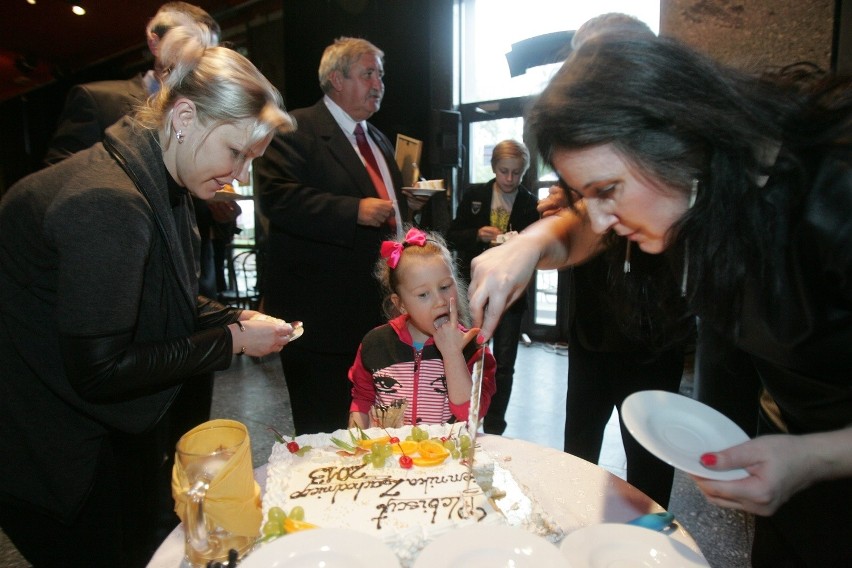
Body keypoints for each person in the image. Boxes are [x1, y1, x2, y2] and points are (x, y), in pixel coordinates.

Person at [467, 33, 852, 566]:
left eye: (606, 192)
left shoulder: (835, 194)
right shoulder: (697, 179)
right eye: (584, 196)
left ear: (673, 135)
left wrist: (816, 457)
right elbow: (585, 226)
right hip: (794, 467)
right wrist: (530, 244)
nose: (600, 220)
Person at [0, 28, 297, 567]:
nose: (240, 175)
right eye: (236, 151)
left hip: (86, 433)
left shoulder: (161, 177)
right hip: (43, 445)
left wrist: (234, 315)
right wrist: (230, 340)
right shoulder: (108, 202)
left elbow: (164, 299)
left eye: (251, 158)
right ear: (183, 118)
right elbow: (100, 368)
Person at [41, 0, 241, 441]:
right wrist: (232, 338)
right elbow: (70, 192)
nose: (197, 65)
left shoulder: (189, 149)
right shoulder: (101, 110)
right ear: (155, 40)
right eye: (188, 49)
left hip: (169, 308)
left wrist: (232, 321)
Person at [537, 14, 689, 509]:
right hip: (590, 335)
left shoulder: (682, 153)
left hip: (655, 341)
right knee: (576, 453)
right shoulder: (587, 148)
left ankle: (651, 549)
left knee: (650, 466)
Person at [256, 37, 429, 434]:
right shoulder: (295, 129)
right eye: (368, 74)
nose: (379, 84)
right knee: (325, 430)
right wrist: (353, 210)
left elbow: (386, 209)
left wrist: (408, 209)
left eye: (381, 75)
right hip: (323, 321)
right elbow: (277, 198)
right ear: (336, 79)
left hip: (376, 317)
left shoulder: (379, 138)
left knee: (373, 427)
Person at [349, 227, 496, 428]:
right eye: (423, 294)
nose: (440, 301)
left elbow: (470, 416)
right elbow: (362, 399)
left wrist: (453, 355)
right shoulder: (375, 344)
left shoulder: (473, 347)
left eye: (445, 287)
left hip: (445, 457)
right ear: (400, 303)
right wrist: (358, 445)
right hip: (392, 456)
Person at [446, 139, 538, 434]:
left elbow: (538, 248)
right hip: (476, 290)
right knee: (469, 354)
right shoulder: (475, 194)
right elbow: (452, 235)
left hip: (512, 295)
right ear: (493, 168)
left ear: (523, 172)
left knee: (506, 364)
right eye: (504, 171)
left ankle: (496, 425)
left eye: (516, 173)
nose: (510, 179)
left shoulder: (529, 202)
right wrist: (477, 234)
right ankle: (463, 415)